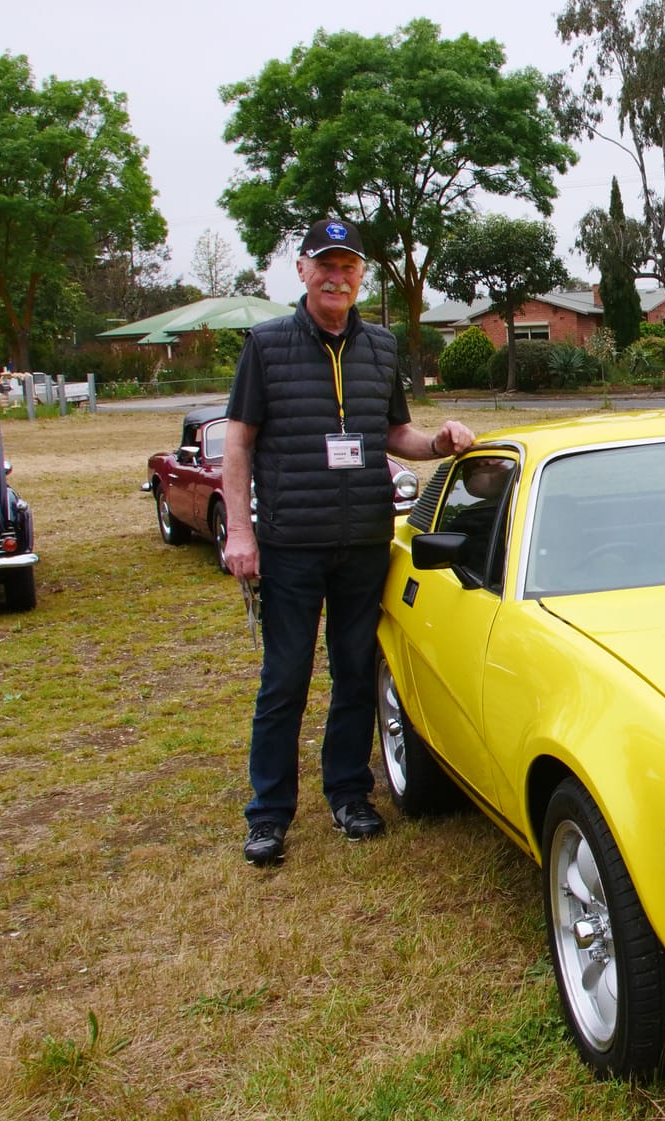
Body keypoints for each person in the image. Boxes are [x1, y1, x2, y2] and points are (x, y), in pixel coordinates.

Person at [222, 218, 474, 866]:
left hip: (363, 540)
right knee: (285, 678)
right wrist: (241, 532)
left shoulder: (382, 347)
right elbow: (239, 442)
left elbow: (397, 435)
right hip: (291, 544)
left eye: (349, 267)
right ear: (302, 269)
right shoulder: (267, 344)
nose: (337, 278)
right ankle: (269, 814)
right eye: (325, 265)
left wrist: (439, 445)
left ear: (362, 276)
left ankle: (348, 794)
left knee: (356, 672)